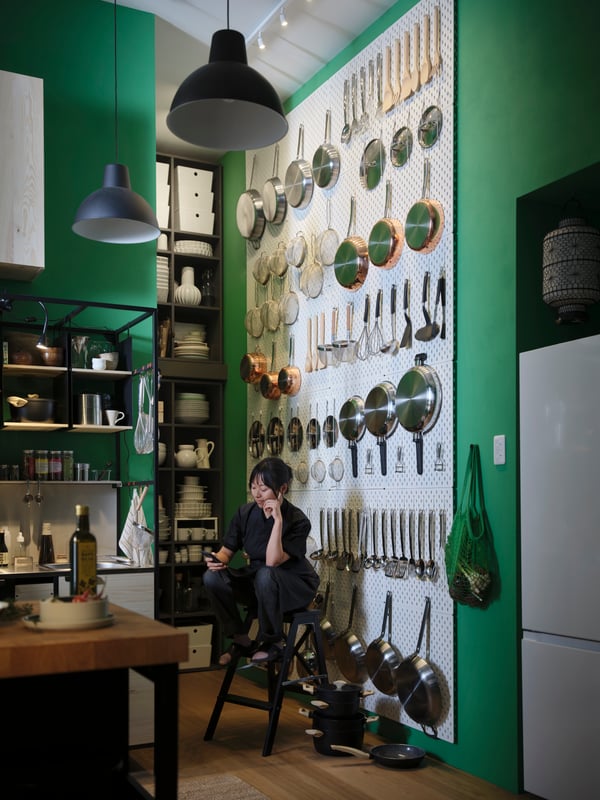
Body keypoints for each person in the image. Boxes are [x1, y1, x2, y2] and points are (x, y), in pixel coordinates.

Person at [203, 457, 319, 664]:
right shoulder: (245, 513)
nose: (257, 494)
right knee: (212, 577)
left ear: (282, 488)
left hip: (293, 584)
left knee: (266, 573)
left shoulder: (298, 520)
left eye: (263, 488)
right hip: (258, 582)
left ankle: (272, 642)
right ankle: (241, 638)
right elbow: (226, 552)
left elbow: (273, 561)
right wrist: (215, 560)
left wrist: (277, 521)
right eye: (254, 487)